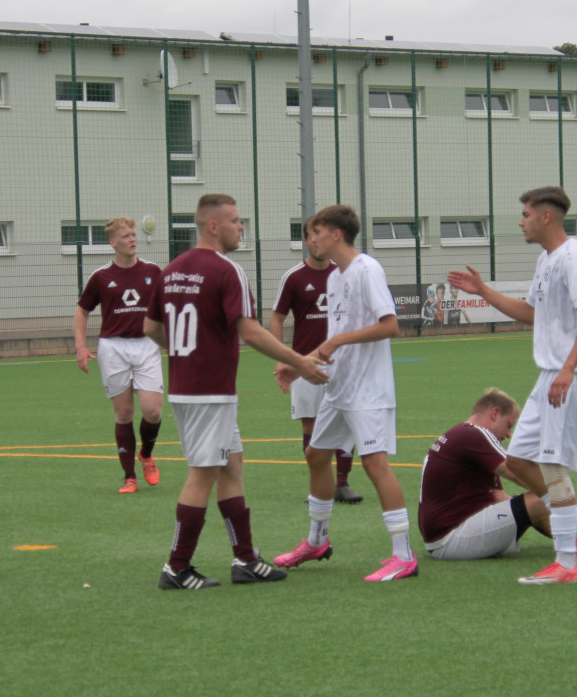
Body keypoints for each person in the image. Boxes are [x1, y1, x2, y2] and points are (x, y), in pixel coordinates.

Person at [143, 194, 328, 590]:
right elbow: (252, 332)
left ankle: (245, 559)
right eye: (235, 220)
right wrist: (299, 362)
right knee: (203, 474)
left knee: (231, 464)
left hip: (187, 386)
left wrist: (185, 350)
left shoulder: (170, 270)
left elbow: (151, 328)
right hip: (210, 390)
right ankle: (176, 568)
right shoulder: (227, 270)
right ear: (214, 226)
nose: (241, 227)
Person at [448, 186, 577, 585]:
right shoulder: (547, 259)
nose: (521, 222)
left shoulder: (574, 256)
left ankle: (567, 562)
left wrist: (568, 369)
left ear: (546, 216)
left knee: (551, 464)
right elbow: (531, 312)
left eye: (525, 214)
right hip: (550, 375)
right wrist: (483, 292)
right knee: (518, 460)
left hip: (570, 375)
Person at [273, 205, 417, 582]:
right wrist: (300, 362)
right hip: (339, 387)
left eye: (317, 232)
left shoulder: (367, 269)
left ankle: (404, 555)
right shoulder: (335, 278)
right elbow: (334, 339)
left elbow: (390, 326)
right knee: (316, 455)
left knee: (375, 465)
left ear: (336, 234)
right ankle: (317, 541)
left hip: (368, 389)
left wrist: (337, 341)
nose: (312, 240)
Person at [418, 388, 577, 561]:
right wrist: (555, 491)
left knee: (536, 503)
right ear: (494, 413)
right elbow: (515, 471)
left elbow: (499, 497)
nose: (508, 434)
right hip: (451, 538)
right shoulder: (475, 434)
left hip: (445, 537)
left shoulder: (462, 436)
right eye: (509, 425)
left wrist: (541, 503)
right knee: (539, 500)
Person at [268, 217, 361, 504]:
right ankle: (320, 485)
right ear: (306, 240)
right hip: (305, 364)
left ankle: (342, 484)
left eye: (321, 235)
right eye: (312, 236)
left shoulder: (343, 272)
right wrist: (281, 357)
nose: (317, 241)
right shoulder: (294, 276)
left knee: (346, 422)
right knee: (311, 426)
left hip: (340, 362)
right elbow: (277, 317)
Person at [74, 217, 164, 494]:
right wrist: (80, 346)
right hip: (113, 348)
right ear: (113, 242)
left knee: (153, 411)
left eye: (134, 235)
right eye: (126, 236)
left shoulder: (152, 271)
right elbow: (82, 311)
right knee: (124, 413)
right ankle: (129, 477)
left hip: (146, 345)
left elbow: (167, 305)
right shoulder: (101, 276)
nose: (132, 239)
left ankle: (146, 454)